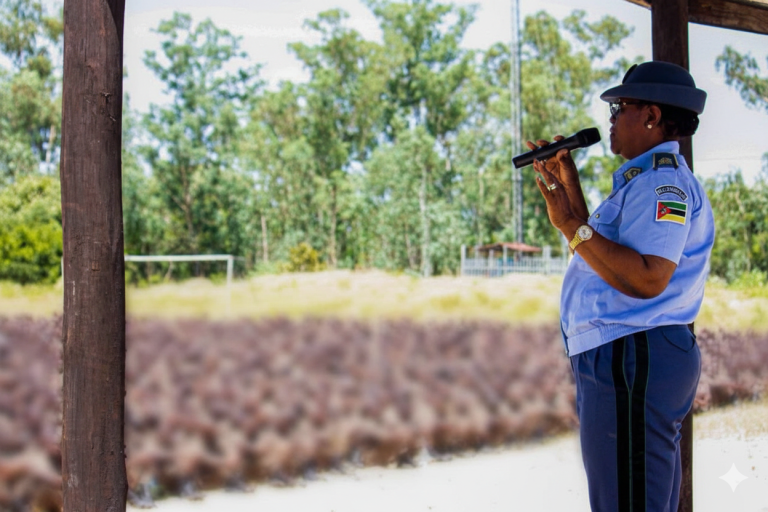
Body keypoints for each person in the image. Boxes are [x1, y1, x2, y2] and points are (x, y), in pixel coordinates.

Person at [529, 61, 715, 512]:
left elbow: (648, 276)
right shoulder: (642, 183)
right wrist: (570, 193)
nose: (610, 119)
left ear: (651, 116)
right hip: (628, 355)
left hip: (634, 356)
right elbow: (606, 261)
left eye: (619, 109)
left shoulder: (661, 184)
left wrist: (572, 223)